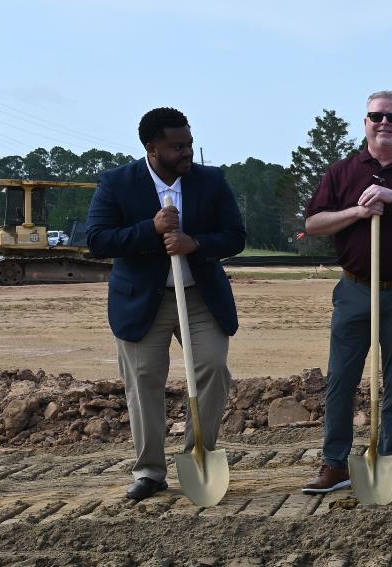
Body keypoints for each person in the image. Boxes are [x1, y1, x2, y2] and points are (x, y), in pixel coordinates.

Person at [85, 107, 246, 501]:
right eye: (177, 147)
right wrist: (150, 230)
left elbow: (235, 236)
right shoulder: (117, 183)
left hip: (199, 297)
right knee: (144, 383)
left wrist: (196, 244)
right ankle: (150, 472)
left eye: (189, 143)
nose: (187, 152)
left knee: (212, 368)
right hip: (142, 302)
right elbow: (98, 240)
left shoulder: (211, 181)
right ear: (151, 147)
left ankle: (199, 454)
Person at [298, 90, 392, 495]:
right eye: (376, 116)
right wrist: (358, 212)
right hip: (354, 290)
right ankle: (335, 464)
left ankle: (388, 464)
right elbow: (313, 224)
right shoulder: (342, 172)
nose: (384, 123)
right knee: (341, 380)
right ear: (365, 122)